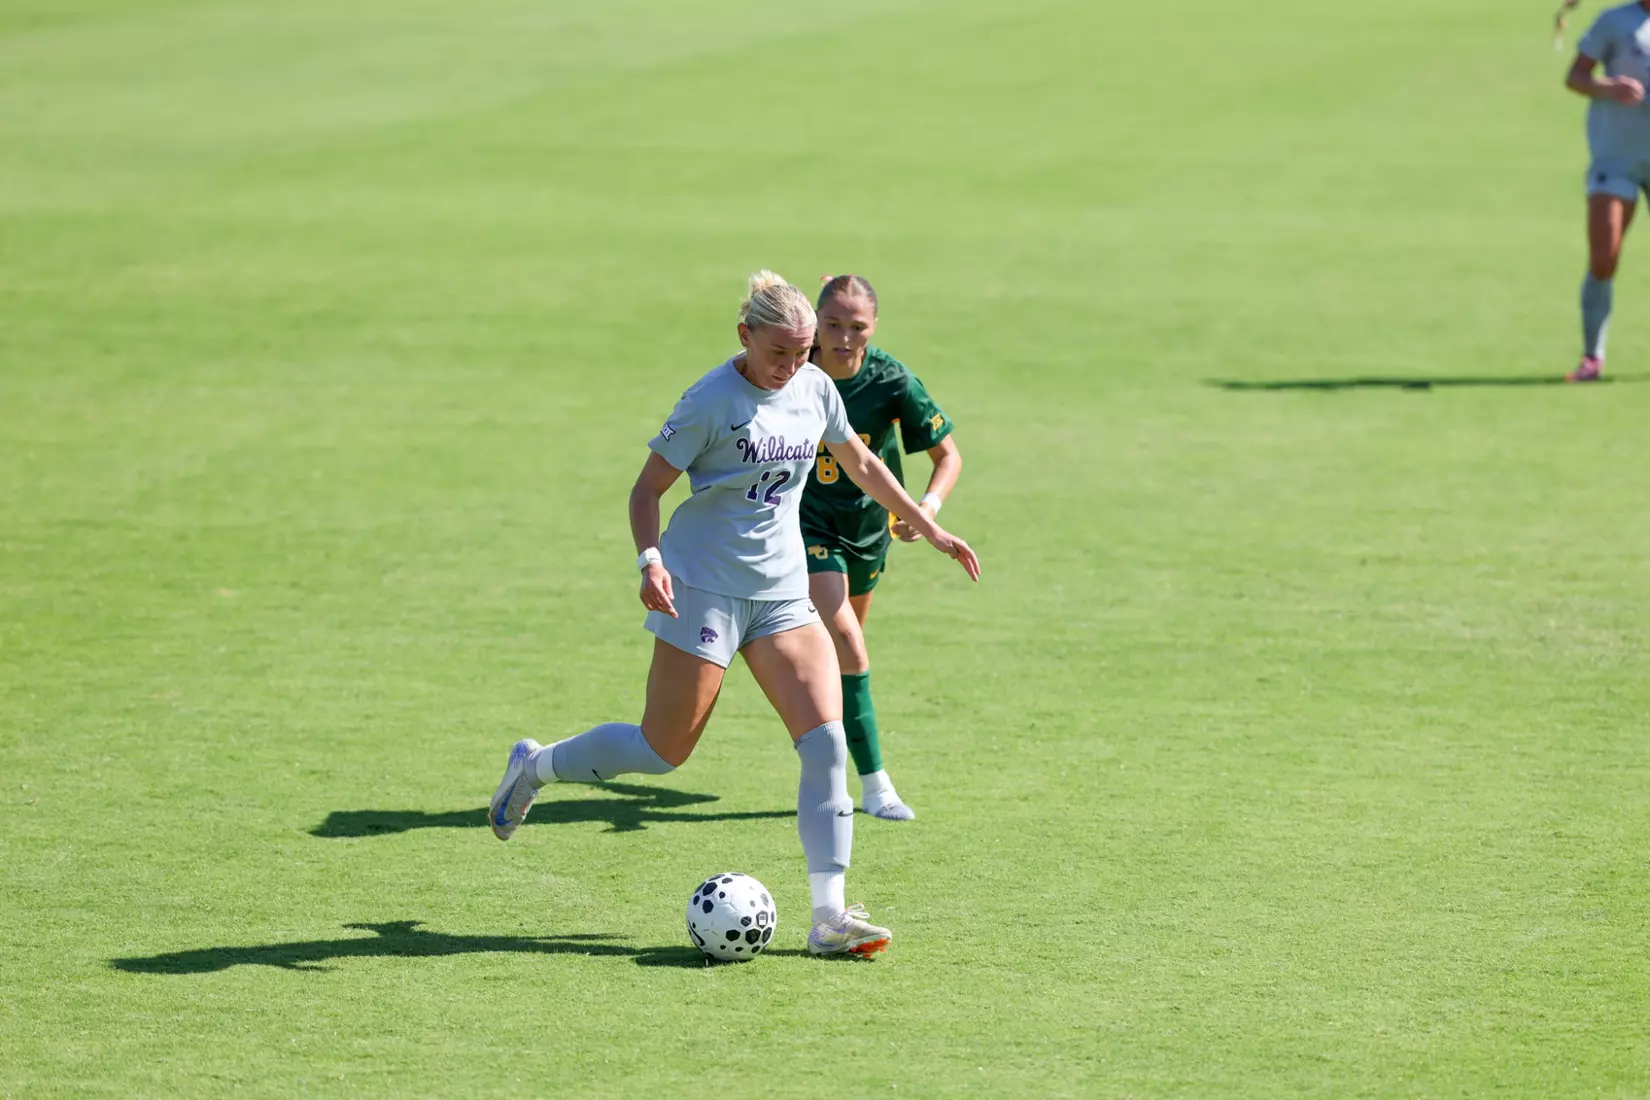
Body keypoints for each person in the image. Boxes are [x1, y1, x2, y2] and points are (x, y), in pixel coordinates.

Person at [486, 271, 981, 958]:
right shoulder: (710, 402)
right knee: (663, 752)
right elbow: (646, 490)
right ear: (744, 336)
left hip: (780, 591)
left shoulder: (813, 387)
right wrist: (649, 561)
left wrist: (926, 523)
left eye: (803, 351)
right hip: (704, 587)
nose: (793, 366)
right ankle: (536, 768)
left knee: (826, 744)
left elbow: (859, 459)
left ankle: (830, 917)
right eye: (780, 351)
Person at [800, 275, 962, 821]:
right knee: (846, 639)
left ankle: (822, 754)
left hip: (870, 532)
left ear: (873, 328)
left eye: (857, 327)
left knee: (843, 655)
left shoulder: (890, 380)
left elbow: (948, 457)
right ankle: (873, 785)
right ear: (816, 324)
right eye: (833, 325)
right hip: (805, 526)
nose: (843, 337)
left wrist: (927, 509)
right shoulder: (793, 368)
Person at [1563, 0, 1650, 380]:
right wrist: (1609, 87)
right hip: (1616, 158)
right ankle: (1592, 357)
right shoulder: (1615, 21)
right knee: (1604, 256)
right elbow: (1575, 77)